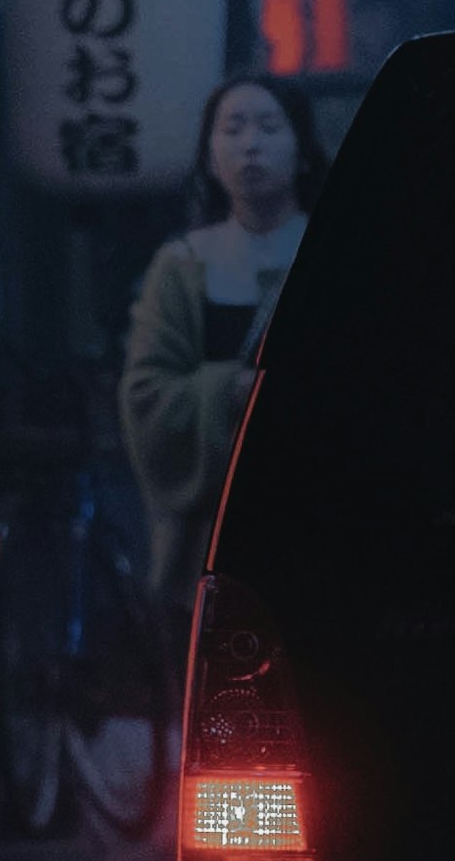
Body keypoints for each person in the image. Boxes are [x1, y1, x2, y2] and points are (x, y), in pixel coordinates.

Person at [120, 72, 330, 594]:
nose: (250, 144)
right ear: (210, 155)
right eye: (232, 128)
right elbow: (145, 393)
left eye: (269, 126)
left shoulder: (337, 253)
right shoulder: (183, 264)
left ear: (303, 148)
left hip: (319, 515)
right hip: (211, 531)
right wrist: (228, 392)